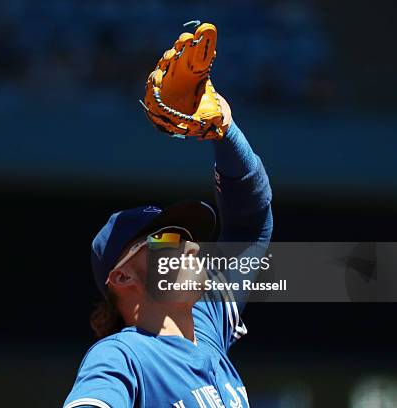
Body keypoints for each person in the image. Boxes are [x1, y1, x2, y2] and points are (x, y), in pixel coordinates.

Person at [63, 23, 273, 408]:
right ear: (122, 275)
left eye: (188, 236)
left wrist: (225, 133)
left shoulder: (207, 327)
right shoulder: (123, 355)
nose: (191, 247)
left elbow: (251, 222)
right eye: (169, 240)